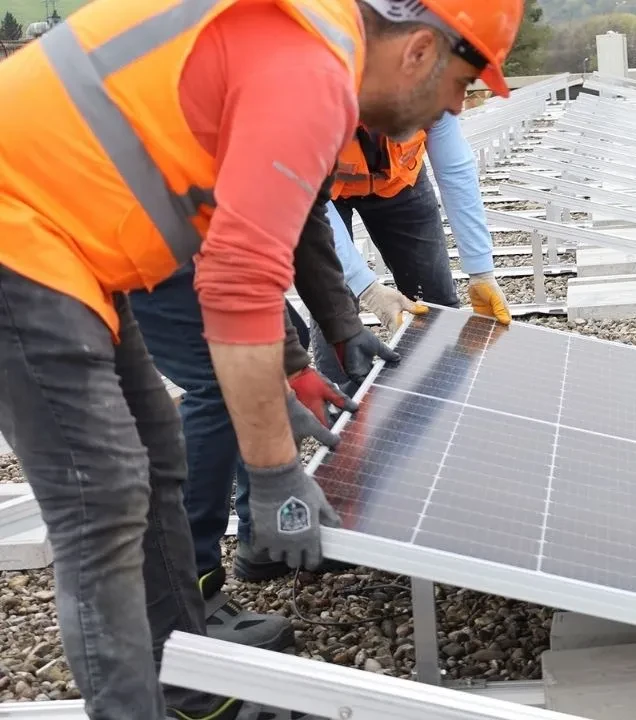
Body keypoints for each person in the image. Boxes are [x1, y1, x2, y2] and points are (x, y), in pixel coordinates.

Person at [0, 0, 522, 718]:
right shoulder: (309, 64)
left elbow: (282, 218)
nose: (453, 109)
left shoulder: (313, 45)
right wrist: (274, 475)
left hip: (61, 242)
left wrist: (315, 348)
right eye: (464, 84)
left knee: (153, 461)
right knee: (105, 501)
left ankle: (190, 693)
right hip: (19, 240)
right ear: (421, 51)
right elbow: (238, 282)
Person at [128, 196, 424, 653]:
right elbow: (242, 245)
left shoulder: (327, 128)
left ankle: (262, 540)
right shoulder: (290, 123)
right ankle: (188, 592)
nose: (444, 121)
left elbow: (305, 216)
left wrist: (339, 328)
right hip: (128, 231)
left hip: (175, 223)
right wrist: (288, 371)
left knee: (282, 343)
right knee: (223, 380)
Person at [315, 110, 512, 395]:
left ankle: (440, 399)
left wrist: (481, 270)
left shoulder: (432, 82)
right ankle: (342, 406)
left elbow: (455, 169)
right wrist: (366, 287)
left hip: (399, 183)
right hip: (322, 188)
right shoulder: (313, 94)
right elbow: (308, 206)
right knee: (331, 299)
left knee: (435, 300)